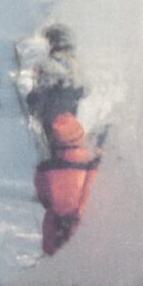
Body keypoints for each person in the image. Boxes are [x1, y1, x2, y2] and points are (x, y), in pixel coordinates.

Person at [35, 109, 101, 256]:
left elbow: (44, 199)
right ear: (80, 137)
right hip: (87, 237)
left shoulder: (45, 170)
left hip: (54, 235)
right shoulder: (95, 167)